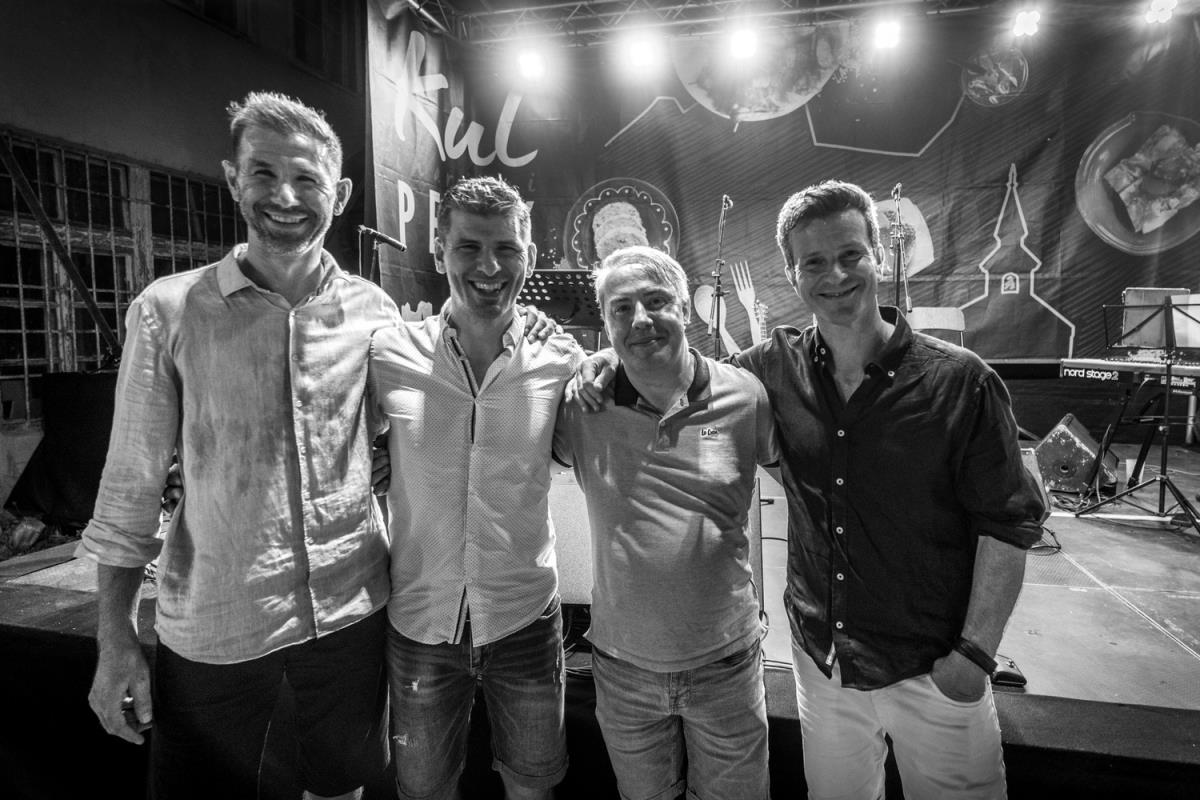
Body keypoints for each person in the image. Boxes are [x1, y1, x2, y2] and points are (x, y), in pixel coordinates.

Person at [572, 180, 1046, 799]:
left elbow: (1009, 523)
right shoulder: (772, 371)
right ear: (793, 275)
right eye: (814, 262)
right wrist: (605, 362)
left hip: (933, 666)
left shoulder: (961, 382)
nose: (836, 275)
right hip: (825, 665)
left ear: (879, 256)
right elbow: (677, 373)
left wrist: (974, 657)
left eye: (850, 255)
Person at [75, 91, 397, 799]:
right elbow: (129, 489)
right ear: (233, 179)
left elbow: (396, 438)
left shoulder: (376, 313)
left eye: (306, 178)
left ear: (340, 194)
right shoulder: (168, 311)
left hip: (353, 613)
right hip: (219, 628)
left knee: (341, 789)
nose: (284, 196)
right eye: (263, 173)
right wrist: (115, 638)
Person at [368, 175, 580, 800]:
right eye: (469, 247)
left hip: (524, 615)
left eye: (506, 249)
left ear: (529, 257)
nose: (489, 267)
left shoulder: (561, 359)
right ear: (440, 253)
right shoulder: (388, 355)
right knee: (424, 790)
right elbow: (339, 443)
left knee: (533, 787)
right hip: (420, 617)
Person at [553, 246, 778, 800]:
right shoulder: (581, 407)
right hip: (623, 668)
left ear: (684, 307)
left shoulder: (744, 396)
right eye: (621, 308)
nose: (640, 320)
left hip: (726, 662)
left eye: (656, 302)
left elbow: (805, 482)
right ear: (606, 322)